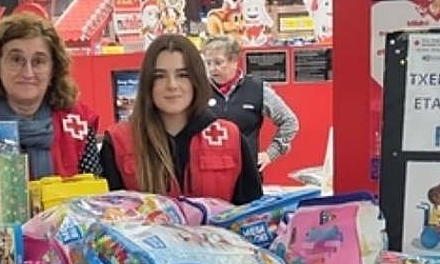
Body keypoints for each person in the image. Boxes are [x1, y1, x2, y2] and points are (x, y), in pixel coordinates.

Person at [0, 13, 100, 222]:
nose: (27, 72)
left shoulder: (79, 124)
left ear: (53, 71)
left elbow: (96, 202)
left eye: (38, 61)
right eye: (16, 59)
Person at [101, 34, 262, 204]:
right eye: (160, 76)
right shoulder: (119, 141)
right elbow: (106, 217)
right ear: (148, 82)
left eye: (183, 75)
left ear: (196, 79)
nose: (172, 85)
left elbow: (251, 216)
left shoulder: (230, 137)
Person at [200, 35, 299, 172]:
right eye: (208, 63)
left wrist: (271, 153)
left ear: (234, 61)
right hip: (207, 171)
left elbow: (289, 121)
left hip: (246, 173)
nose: (212, 69)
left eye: (218, 62)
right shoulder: (199, 91)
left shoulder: (257, 89)